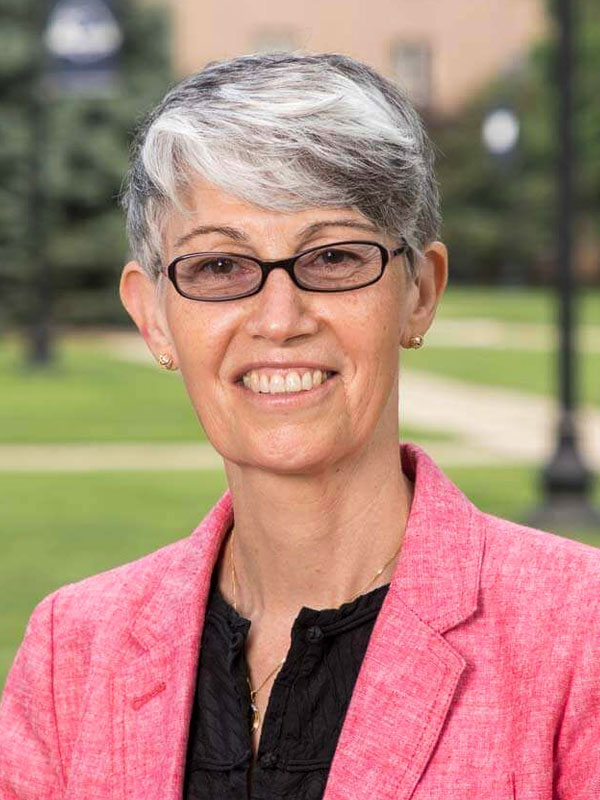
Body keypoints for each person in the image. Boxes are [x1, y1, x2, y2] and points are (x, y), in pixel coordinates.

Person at [1, 52, 599, 800]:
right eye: (220, 267)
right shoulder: (72, 651)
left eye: (334, 256)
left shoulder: (581, 635)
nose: (280, 320)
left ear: (419, 292)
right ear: (153, 316)